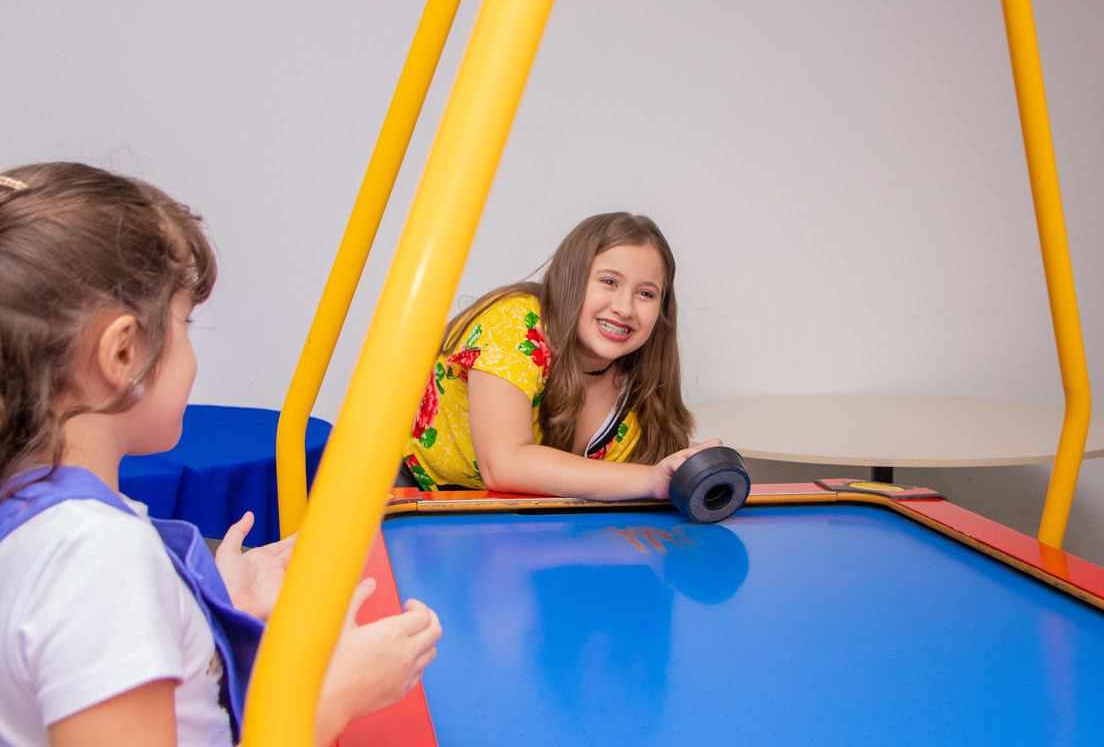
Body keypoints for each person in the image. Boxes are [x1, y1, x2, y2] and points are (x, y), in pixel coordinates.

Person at [0, 162, 441, 747]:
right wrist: (332, 698)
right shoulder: (99, 557)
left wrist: (217, 601)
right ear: (123, 353)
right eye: (184, 322)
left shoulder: (36, 516)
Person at [400, 211, 717, 501]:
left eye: (645, 293)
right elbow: (504, 464)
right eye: (609, 282)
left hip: (511, 518)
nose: (624, 308)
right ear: (570, 280)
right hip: (405, 490)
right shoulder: (514, 323)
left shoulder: (640, 391)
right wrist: (648, 478)